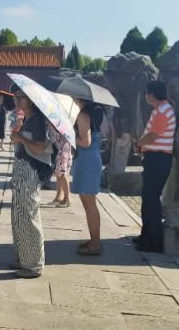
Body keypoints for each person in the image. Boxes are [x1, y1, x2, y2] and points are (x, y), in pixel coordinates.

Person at [9, 84, 53, 279]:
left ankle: (34, 264)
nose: (17, 100)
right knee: (19, 215)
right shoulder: (28, 119)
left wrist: (20, 138)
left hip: (30, 171)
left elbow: (39, 148)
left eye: (21, 97)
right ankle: (24, 257)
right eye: (15, 97)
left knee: (29, 215)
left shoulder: (37, 120)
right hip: (22, 169)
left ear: (31, 100)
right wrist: (18, 136)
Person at [134, 80, 176, 253]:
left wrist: (139, 143)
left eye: (147, 93)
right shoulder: (160, 109)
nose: (145, 96)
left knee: (151, 200)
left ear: (152, 94)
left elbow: (153, 135)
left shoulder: (163, 111)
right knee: (148, 198)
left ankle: (153, 241)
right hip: (155, 158)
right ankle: (146, 236)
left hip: (158, 159)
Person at [71, 100, 106, 255]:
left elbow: (85, 142)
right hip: (90, 159)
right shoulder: (94, 112)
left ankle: (95, 244)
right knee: (89, 203)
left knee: (90, 204)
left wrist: (69, 134)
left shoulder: (83, 115)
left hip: (87, 160)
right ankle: (94, 240)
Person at [43, 123, 72, 208]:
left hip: (63, 150)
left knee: (63, 174)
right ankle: (58, 197)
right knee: (59, 174)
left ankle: (67, 198)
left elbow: (54, 138)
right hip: (61, 149)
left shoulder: (57, 124)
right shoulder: (53, 123)